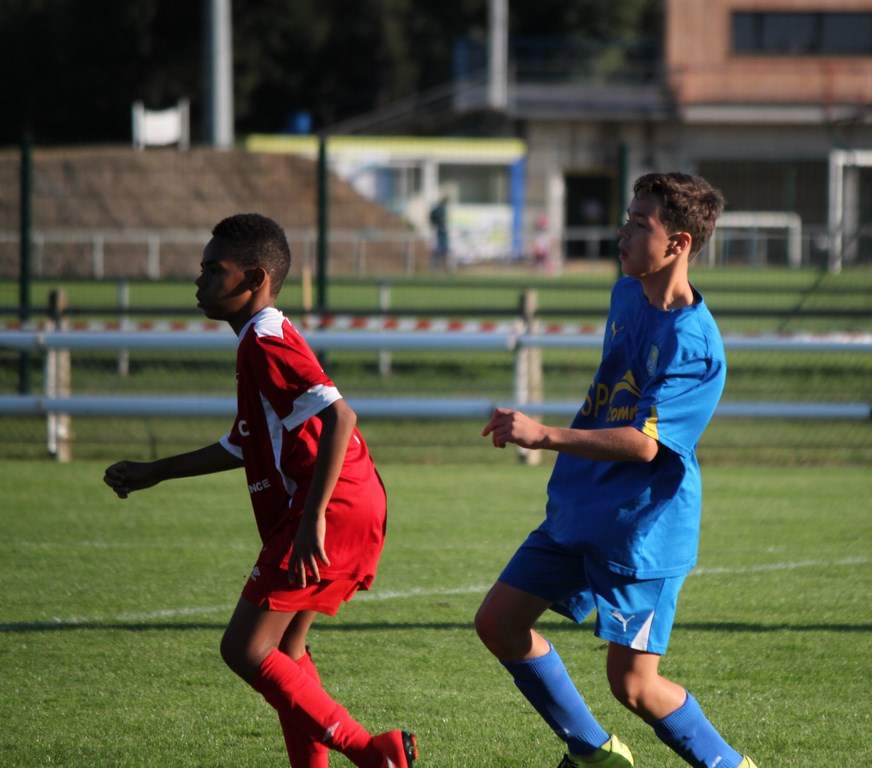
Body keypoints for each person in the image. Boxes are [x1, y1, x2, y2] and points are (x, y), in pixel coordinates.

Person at [102, 213, 418, 768]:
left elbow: (341, 416)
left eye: (212, 270)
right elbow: (242, 444)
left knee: (245, 649)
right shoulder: (255, 340)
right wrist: (156, 471)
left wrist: (311, 518)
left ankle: (373, 753)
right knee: (286, 654)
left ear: (253, 279)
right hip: (343, 500)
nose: (199, 281)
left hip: (330, 504)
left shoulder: (266, 339)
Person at [476, 173, 757, 768]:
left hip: (640, 532)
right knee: (499, 623)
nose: (622, 232)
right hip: (580, 508)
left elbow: (646, 444)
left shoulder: (696, 344)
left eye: (638, 223)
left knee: (633, 686)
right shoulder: (626, 295)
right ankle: (594, 753)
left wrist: (545, 434)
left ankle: (730, 765)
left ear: (678, 243)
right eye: (626, 217)